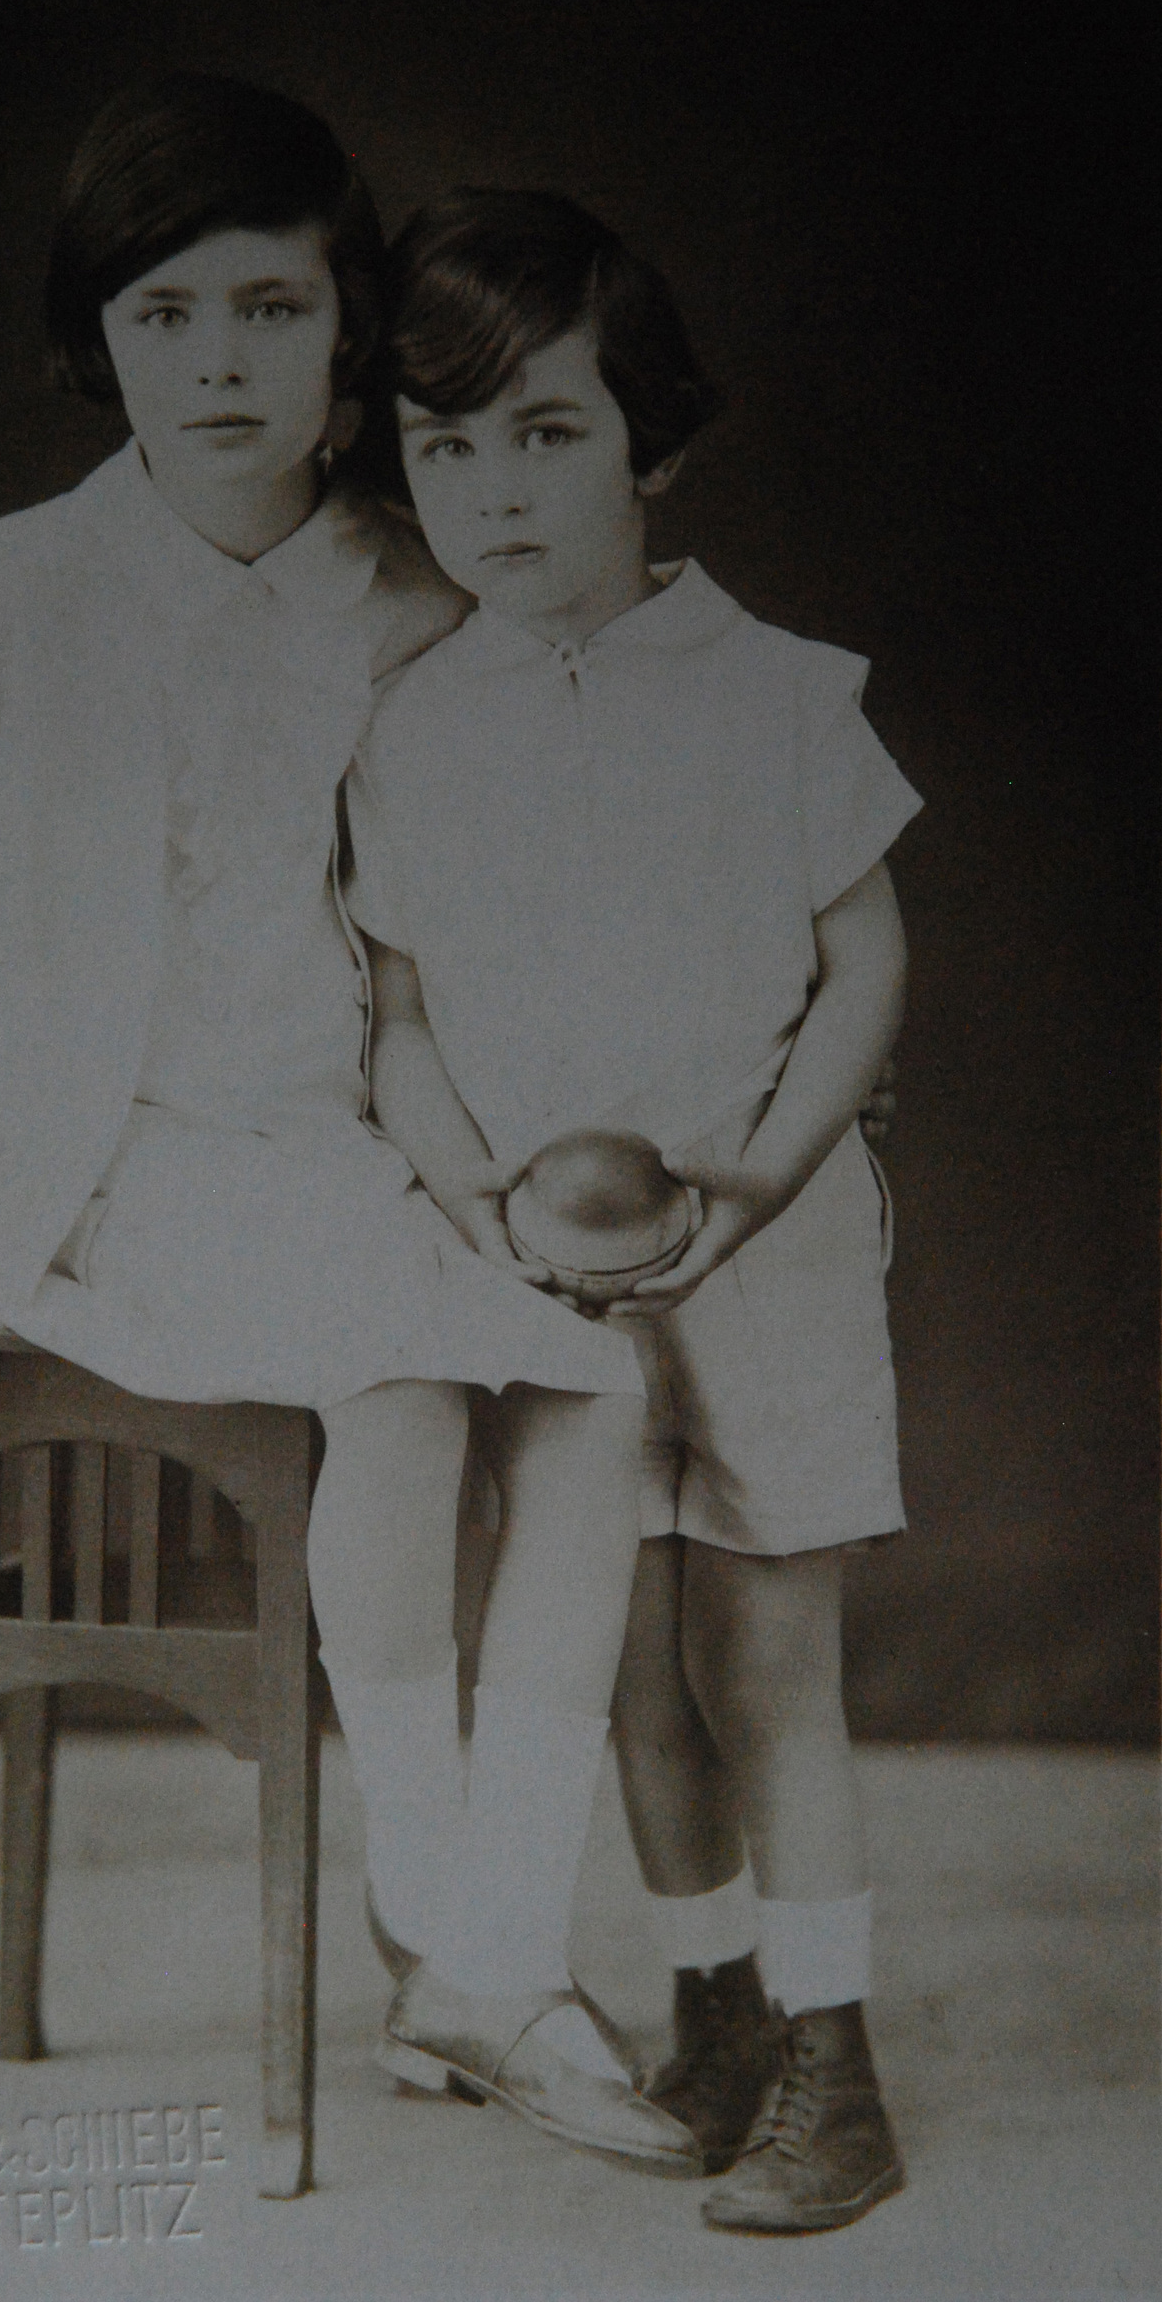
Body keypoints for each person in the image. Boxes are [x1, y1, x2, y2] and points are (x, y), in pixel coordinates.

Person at [0, 72, 691, 2169]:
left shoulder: (408, 586)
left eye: (272, 311)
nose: (218, 364)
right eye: (165, 315)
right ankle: (476, 1955)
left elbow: (504, 899)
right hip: (111, 1174)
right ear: (99, 340)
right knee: (400, 1383)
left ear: (347, 330)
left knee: (597, 1393)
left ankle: (474, 1948)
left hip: (361, 1159)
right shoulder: (11, 595)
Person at [343, 187, 920, 2232]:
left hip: (760, 1249)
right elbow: (400, 1019)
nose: (492, 491)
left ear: (647, 442)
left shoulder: (775, 693)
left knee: (763, 1660)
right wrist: (475, 1199)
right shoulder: (414, 722)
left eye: (546, 432)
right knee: (618, 1669)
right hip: (555, 1283)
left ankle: (837, 2069)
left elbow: (865, 964)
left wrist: (764, 1175)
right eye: (443, 446)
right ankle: (718, 2009)